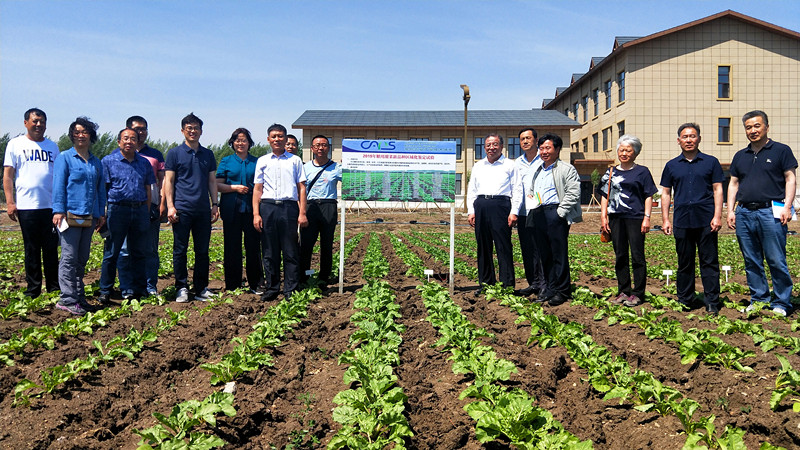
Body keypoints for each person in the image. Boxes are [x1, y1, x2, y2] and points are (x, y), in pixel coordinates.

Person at [727, 110, 797, 317]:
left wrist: (787, 206)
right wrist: (730, 210)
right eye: (748, 127)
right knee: (751, 260)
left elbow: (790, 179)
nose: (753, 130)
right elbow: (733, 184)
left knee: (776, 259)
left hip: (771, 211)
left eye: (757, 126)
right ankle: (759, 299)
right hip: (744, 212)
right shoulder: (740, 155)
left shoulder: (781, 150)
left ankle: (782, 302)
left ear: (766, 126)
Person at [660, 123, 724, 314]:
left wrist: (717, 216)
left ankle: (712, 301)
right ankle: (685, 299)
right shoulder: (671, 165)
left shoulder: (711, 162)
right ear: (678, 140)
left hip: (706, 221)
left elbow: (718, 189)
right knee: (685, 262)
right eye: (685, 137)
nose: (689, 140)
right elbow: (666, 193)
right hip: (682, 220)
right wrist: (665, 219)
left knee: (709, 262)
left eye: (692, 136)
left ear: (699, 139)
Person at [51, 117, 106, 315]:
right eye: (77, 132)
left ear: (91, 135)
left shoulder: (96, 162)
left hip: (89, 216)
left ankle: (78, 296)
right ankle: (67, 299)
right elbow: (58, 185)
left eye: (84, 132)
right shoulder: (65, 158)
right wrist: (58, 210)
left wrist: (100, 213)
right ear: (72, 135)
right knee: (69, 258)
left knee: (82, 258)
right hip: (69, 216)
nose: (80, 135)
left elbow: (100, 190)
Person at [3, 108, 59, 298]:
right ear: (26, 123)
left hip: (50, 207)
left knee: (51, 249)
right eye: (35, 121)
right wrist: (10, 202)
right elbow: (8, 176)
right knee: (31, 249)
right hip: (27, 207)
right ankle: (33, 289)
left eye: (42, 121)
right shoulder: (15, 144)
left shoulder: (53, 147)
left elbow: (59, 177)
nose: (38, 125)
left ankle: (53, 287)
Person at [163, 113, 219, 303]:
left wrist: (214, 204)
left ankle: (201, 288)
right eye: (189, 128)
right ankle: (181, 287)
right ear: (182, 131)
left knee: (202, 251)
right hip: (182, 209)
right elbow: (169, 181)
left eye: (196, 128)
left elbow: (212, 181)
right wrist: (170, 206)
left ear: (201, 131)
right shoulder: (174, 153)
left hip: (202, 209)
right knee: (180, 250)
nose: (193, 131)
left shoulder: (208, 154)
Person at [97, 128, 155, 303]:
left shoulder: (144, 163)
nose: (129, 142)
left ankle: (139, 289)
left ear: (138, 142)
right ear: (119, 142)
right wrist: (103, 213)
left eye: (133, 139)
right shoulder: (108, 161)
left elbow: (148, 188)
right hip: (117, 210)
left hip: (139, 210)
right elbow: (103, 189)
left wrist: (146, 210)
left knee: (139, 252)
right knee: (112, 252)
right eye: (126, 138)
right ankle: (105, 290)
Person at [600, 135, 657, 307]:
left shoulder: (642, 171)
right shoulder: (611, 172)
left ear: (635, 153)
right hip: (615, 218)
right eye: (621, 150)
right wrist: (603, 216)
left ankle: (638, 293)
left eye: (628, 150)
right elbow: (604, 195)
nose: (624, 153)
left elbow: (648, 195)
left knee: (637, 256)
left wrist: (647, 217)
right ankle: (623, 291)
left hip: (636, 218)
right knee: (620, 255)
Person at [252, 124, 308, 301]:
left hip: (288, 208)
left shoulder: (295, 160)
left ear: (286, 139)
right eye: (274, 136)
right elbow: (257, 189)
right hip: (268, 207)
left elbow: (301, 188)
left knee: (290, 250)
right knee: (269, 251)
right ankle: (272, 287)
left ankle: (290, 289)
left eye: (280, 136)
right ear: (268, 139)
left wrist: (302, 212)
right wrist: (256, 214)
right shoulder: (262, 161)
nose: (277, 139)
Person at [526, 133, 582, 306]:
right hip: (539, 213)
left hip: (555, 212)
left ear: (557, 149)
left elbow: (573, 192)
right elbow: (533, 189)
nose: (544, 151)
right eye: (541, 148)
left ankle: (563, 291)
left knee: (559, 254)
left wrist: (560, 212)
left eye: (548, 148)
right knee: (545, 254)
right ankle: (550, 288)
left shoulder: (566, 169)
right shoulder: (538, 170)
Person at [116, 116, 166, 296]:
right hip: (123, 208)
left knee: (150, 249)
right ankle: (127, 287)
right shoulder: (117, 155)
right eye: (137, 129)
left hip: (149, 207)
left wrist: (162, 203)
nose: (141, 132)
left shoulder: (155, 154)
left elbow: (163, 180)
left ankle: (149, 286)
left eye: (144, 129)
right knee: (124, 250)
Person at [466, 134, 521, 294]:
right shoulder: (478, 166)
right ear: (484, 147)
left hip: (501, 206)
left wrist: (514, 212)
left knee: (503, 246)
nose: (491, 148)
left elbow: (517, 189)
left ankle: (507, 285)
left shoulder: (510, 165)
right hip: (481, 205)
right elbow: (472, 190)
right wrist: (471, 211)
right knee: (483, 246)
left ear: (501, 146)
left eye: (495, 144)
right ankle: (486, 283)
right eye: (488, 145)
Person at [216, 128, 263, 293]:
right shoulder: (226, 161)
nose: (240, 143)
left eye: (244, 140)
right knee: (232, 247)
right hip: (231, 209)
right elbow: (217, 184)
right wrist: (234, 188)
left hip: (252, 209)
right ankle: (233, 284)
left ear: (249, 143)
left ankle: (256, 283)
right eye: (237, 140)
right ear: (232, 143)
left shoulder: (257, 162)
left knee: (253, 247)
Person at [300, 135, 341, 287]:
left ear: (328, 148)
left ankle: (324, 276)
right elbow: (300, 189)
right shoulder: (305, 168)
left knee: (327, 243)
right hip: (310, 206)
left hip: (328, 206)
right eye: (317, 145)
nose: (320, 148)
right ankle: (304, 275)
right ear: (312, 148)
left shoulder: (336, 167)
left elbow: (352, 181)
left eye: (324, 145)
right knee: (306, 243)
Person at [513, 127, 546, 296]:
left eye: (528, 138)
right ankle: (533, 283)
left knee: (541, 249)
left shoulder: (544, 159)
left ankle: (544, 284)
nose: (525, 141)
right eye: (522, 139)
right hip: (523, 213)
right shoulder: (517, 163)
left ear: (536, 140)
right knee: (527, 249)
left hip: (540, 211)